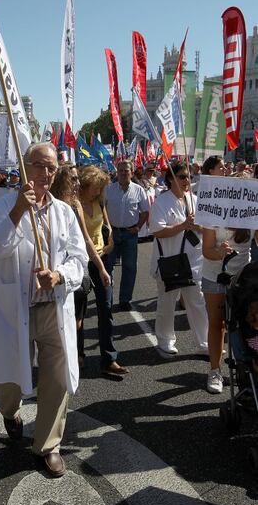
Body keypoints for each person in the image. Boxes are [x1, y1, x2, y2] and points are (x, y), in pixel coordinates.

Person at [0, 143, 88, 478]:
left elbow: (79, 259)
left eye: (52, 168)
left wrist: (59, 276)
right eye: (40, 166)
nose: (46, 174)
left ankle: (47, 446)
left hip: (53, 308)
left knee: (56, 378)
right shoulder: (4, 204)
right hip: (16, 309)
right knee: (10, 379)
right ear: (25, 167)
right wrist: (17, 212)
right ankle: (10, 411)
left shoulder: (64, 212)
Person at [201, 155, 258, 393]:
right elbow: (206, 250)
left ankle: (247, 366)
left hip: (245, 278)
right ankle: (215, 370)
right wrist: (219, 252)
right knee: (218, 324)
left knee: (246, 324)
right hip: (216, 275)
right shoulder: (214, 214)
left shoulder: (252, 215)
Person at [50, 163, 112, 370]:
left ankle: (91, 356)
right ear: (63, 181)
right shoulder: (51, 203)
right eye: (73, 179)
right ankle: (68, 356)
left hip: (80, 267)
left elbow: (85, 241)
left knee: (79, 317)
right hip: (56, 268)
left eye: (78, 179)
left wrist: (101, 268)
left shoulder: (75, 205)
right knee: (60, 318)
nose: (77, 183)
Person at [149, 161, 209, 355]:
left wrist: (196, 226)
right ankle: (165, 339)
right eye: (182, 176)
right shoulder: (161, 202)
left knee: (197, 303)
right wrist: (183, 225)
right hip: (170, 262)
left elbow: (204, 228)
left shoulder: (194, 199)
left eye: (189, 176)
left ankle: (204, 342)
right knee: (167, 303)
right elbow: (157, 231)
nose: (186, 180)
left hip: (193, 262)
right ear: (170, 179)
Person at [79, 165, 130, 376]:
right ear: (86, 184)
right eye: (96, 187)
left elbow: (105, 225)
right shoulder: (75, 204)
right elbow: (85, 239)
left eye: (102, 188)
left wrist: (110, 242)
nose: (99, 191)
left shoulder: (99, 200)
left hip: (103, 258)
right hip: (82, 262)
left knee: (106, 309)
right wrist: (100, 266)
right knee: (78, 313)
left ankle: (109, 358)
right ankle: (78, 356)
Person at [105, 160, 149, 310]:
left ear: (131, 172)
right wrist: (106, 227)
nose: (124, 173)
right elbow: (102, 208)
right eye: (121, 170)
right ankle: (107, 298)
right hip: (112, 234)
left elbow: (145, 212)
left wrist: (138, 227)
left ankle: (125, 299)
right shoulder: (109, 189)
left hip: (130, 234)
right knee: (108, 266)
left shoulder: (139, 190)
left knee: (129, 267)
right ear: (117, 172)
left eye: (127, 171)